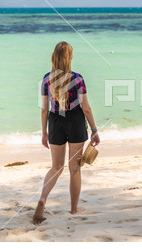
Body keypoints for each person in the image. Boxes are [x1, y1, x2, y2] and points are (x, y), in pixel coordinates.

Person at [32, 41, 100, 225]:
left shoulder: (46, 79)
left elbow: (44, 109)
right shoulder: (78, 79)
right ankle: (74, 209)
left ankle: (42, 199)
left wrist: (44, 133)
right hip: (75, 121)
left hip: (55, 122)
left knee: (56, 167)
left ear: (54, 57)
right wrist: (94, 130)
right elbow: (86, 108)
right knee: (74, 168)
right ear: (70, 58)